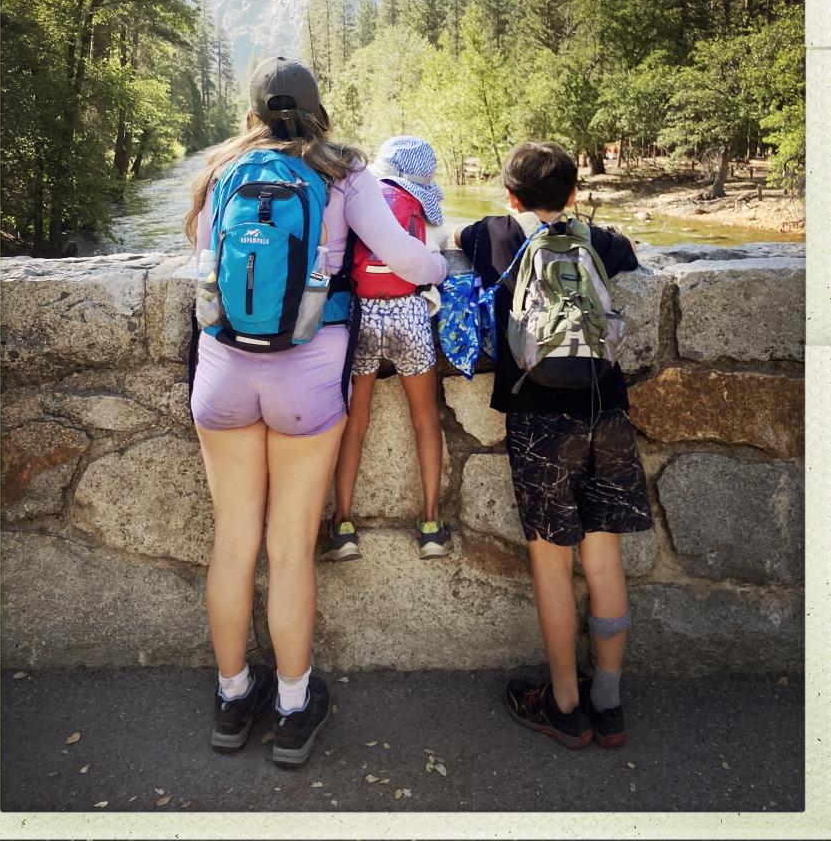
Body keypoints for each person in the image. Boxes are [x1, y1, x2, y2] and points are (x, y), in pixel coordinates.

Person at [184, 57, 447, 767]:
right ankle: (294, 712)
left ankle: (233, 697)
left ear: (251, 109)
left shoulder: (221, 171)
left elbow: (204, 260)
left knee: (234, 544)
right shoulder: (344, 173)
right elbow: (406, 258)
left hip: (223, 372)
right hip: (305, 378)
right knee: (290, 550)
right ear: (315, 104)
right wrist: (444, 268)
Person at [454, 141, 652, 751]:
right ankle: (609, 702)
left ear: (510, 196)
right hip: (604, 406)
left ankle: (565, 703)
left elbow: (456, 243)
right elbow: (631, 258)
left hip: (539, 419)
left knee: (551, 560)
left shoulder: (492, 236)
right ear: (573, 193)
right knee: (602, 559)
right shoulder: (601, 241)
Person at [324, 136, 451, 562]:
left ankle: (343, 526)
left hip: (363, 315)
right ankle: (431, 524)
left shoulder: (365, 197)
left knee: (355, 423)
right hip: (409, 315)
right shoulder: (423, 209)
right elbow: (438, 253)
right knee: (425, 420)